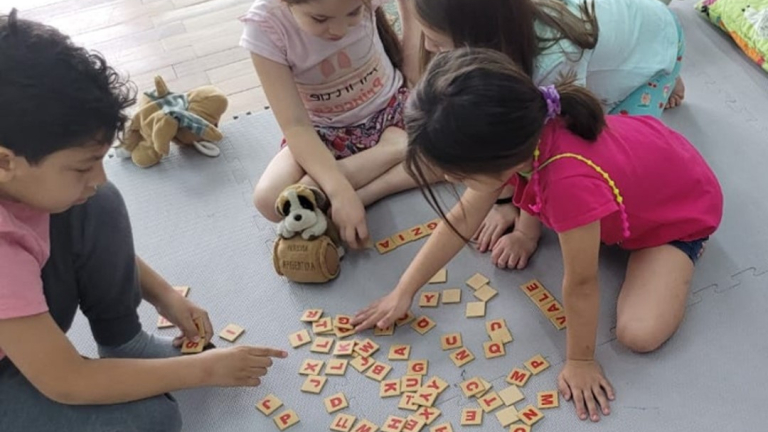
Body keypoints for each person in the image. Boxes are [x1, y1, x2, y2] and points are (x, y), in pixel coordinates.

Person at [353, 48, 723, 423]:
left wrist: (580, 359)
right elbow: (462, 217)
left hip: (678, 210)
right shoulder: (522, 130)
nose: (451, 181)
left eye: (459, 175)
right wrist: (404, 290)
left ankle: (687, 246)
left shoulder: (566, 183)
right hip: (644, 164)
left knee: (638, 334)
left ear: (498, 159)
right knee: (540, 204)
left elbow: (581, 282)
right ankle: (534, 226)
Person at [0, 11, 285, 431]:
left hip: (22, 325)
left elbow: (93, 221)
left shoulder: (26, 179)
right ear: (6, 162)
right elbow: (67, 381)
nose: (98, 177)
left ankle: (124, 341)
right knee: (151, 419)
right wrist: (206, 369)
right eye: (82, 167)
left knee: (94, 202)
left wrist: (166, 296)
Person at [400, 0, 686, 265]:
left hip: (657, 42)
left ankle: (663, 72)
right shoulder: (505, 24)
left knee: (612, 154)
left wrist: (526, 233)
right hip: (629, 29)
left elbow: (547, 148)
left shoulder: (553, 62)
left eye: (437, 41)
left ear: (475, 33)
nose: (428, 46)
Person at [241, 0, 431, 249]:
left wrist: (413, 74)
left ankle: (370, 190)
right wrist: (339, 191)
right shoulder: (266, 26)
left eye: (354, 12)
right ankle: (394, 150)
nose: (339, 30)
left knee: (464, 152)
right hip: (325, 134)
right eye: (320, 19)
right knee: (270, 200)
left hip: (393, 110)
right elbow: (296, 126)